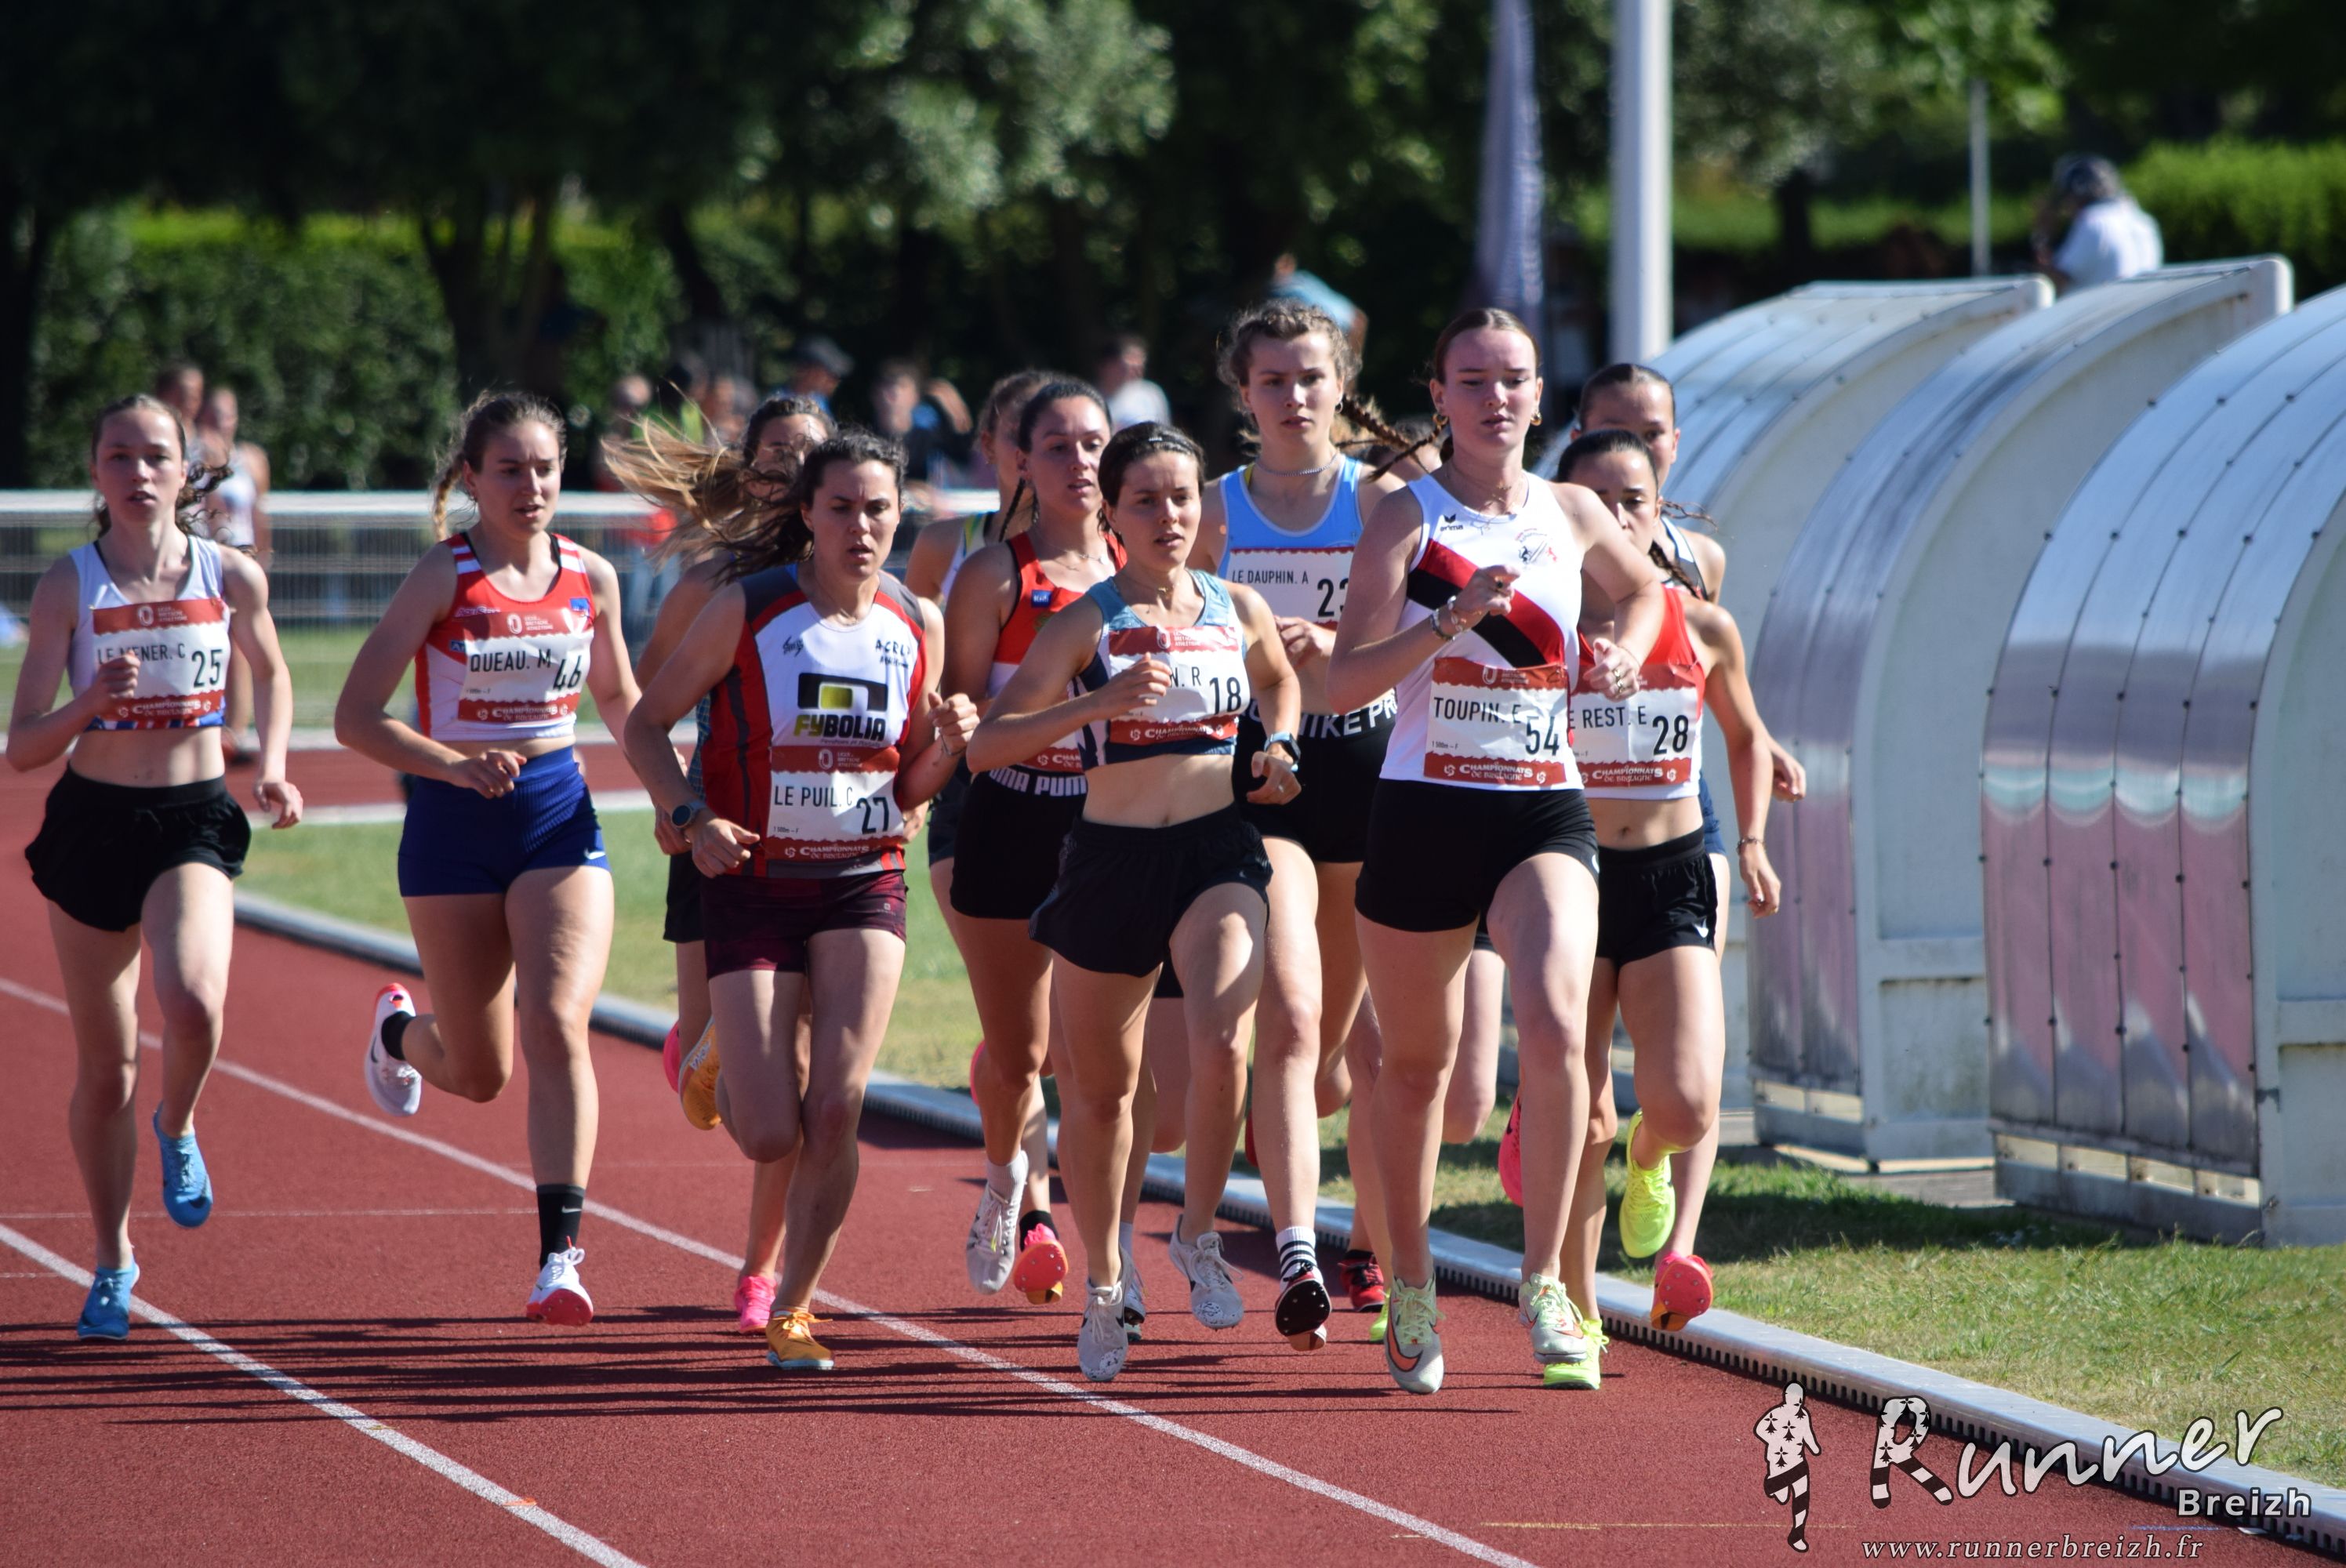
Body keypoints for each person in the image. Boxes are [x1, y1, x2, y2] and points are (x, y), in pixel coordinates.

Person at [1326, 307, 1664, 1396]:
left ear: (1538, 393)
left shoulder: (1572, 510)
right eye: (1471, 380)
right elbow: (1342, 681)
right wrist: (1446, 623)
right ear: (1439, 396)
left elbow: (1647, 588)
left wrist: (1622, 651)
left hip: (1540, 808)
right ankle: (1410, 1280)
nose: (1495, 398)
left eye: (1513, 378)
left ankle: (1547, 1283)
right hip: (1423, 808)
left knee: (1559, 1027)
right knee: (1417, 1068)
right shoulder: (1404, 515)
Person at [625, 429, 976, 1372]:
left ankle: (795, 1306)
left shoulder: (918, 619)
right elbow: (645, 724)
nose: (860, 526)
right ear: (808, 514)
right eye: (841, 508)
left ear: (900, 515)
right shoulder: (748, 608)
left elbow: (908, 779)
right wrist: (691, 814)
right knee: (770, 1129)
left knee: (836, 1108)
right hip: (752, 883)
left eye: (878, 509)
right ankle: (713, 1053)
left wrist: (947, 747)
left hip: (864, 883)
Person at [968, 420, 1300, 1381]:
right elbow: (988, 745)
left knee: (1223, 1040)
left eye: (1182, 496)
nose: (1167, 515)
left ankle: (1197, 1231)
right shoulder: (1087, 620)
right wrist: (1096, 706)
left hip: (1217, 850)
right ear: (1112, 513)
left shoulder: (1237, 605)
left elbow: (1278, 679)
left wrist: (1280, 745)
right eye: (1145, 499)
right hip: (1110, 859)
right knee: (1104, 1092)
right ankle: (1107, 1279)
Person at [336, 391, 640, 1326]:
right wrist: (452, 764)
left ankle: (560, 1258)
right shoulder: (445, 573)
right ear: (472, 478)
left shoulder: (590, 575)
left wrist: (684, 799)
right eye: (509, 469)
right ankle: (398, 1035)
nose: (530, 486)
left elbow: (621, 701)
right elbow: (356, 717)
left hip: (555, 818)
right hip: (453, 826)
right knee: (478, 1072)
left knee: (557, 1020)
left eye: (545, 468)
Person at [9, 394, 302, 1340]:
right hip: (91, 825)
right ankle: (113, 1259)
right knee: (105, 1069)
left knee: (195, 1001)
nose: (138, 472)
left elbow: (273, 670)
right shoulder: (70, 584)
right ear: (96, 471)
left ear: (187, 468)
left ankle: (177, 1121)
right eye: (118, 456)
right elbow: (23, 746)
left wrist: (275, 763)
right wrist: (88, 700)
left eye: (155, 456)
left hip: (192, 818)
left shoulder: (230, 574)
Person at [1190, 299, 1410, 1348]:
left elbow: (1431, 625)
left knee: (1341, 1060)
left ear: (1342, 385)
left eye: (1312, 376)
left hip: (1366, 769)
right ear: (1244, 393)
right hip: (1265, 776)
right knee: (1289, 1017)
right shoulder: (1213, 509)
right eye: (1272, 380)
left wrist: (1339, 641)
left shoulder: (1383, 501)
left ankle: (1368, 1238)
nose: (1294, 396)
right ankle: (1298, 1252)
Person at [1549, 426, 1782, 1388]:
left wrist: (1753, 841)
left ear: (1659, 510)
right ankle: (1576, 1310)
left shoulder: (1703, 624)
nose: (1616, 516)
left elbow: (1747, 735)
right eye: (1596, 500)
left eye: (1633, 500)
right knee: (1581, 1115)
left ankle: (1651, 1158)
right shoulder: (1539, 626)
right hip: (1569, 872)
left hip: (1673, 867)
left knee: (1684, 1102)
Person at [608, 393, 833, 1333]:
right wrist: (678, 805)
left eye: (807, 453)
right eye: (774, 452)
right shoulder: (711, 583)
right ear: (748, 468)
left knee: (800, 1069)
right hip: (720, 835)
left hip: (825, 850)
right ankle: (695, 1044)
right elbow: (646, 708)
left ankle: (762, 1271)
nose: (788, 467)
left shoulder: (855, 578)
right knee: (727, 1083)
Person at [942, 380, 1124, 1316]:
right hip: (1008, 814)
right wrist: (986, 714)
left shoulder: (1145, 561)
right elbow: (959, 708)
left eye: (1093, 442)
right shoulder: (994, 574)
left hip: (1111, 826)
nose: (1079, 461)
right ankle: (1006, 1174)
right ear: (1021, 459)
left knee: (1098, 1065)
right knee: (1022, 1057)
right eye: (1056, 445)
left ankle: (1109, 1269)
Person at [903, 367, 1066, 1297]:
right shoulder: (952, 547)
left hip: (1084, 804)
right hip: (975, 799)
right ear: (1000, 451)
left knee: (1048, 1043)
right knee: (1026, 1043)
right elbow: (917, 666)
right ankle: (1028, 1205)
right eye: (1021, 441)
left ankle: (1004, 1080)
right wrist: (936, 737)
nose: (1040, 459)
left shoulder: (1108, 549)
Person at [198, 386, 271, 761]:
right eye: (214, 413)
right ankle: (205, 725)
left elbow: (259, 510)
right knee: (208, 642)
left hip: (243, 562)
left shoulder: (252, 458)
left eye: (227, 414)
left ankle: (235, 732)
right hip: (207, 559)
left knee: (242, 645)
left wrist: (264, 558)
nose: (221, 421)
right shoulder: (195, 455)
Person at [2035, 155, 2162, 292]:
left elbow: (2055, 284)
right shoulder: (2144, 221)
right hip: (2143, 304)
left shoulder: (2093, 222)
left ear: (2077, 193)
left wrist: (2042, 238)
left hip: (2107, 305)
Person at [870, 358, 975, 493]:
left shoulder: (929, 438)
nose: (894, 394)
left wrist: (958, 416)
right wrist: (912, 487)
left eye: (902, 387)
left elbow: (965, 461)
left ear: (915, 397)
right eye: (887, 387)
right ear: (875, 394)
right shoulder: (865, 439)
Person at [1269, 256, 1367, 358]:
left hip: (1336, 328)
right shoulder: (1282, 290)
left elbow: (1359, 319)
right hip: (1330, 331)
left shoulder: (1302, 279)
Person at [1096, 332, 1171, 431]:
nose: (1135, 372)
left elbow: (1165, 431)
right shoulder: (1091, 398)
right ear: (1106, 365)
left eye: (1139, 367)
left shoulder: (1152, 395)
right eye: (1127, 367)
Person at [783, 336, 855, 417]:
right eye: (829, 373)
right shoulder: (777, 403)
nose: (834, 381)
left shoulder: (820, 402)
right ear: (808, 370)